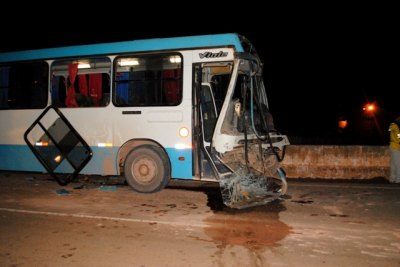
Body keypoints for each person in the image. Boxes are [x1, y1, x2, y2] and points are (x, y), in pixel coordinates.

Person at [389, 116, 400, 183]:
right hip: (396, 146)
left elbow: (389, 133)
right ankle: (398, 179)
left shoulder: (391, 126)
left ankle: (392, 178)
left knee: (393, 164)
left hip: (392, 145)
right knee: (398, 164)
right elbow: (399, 136)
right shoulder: (396, 127)